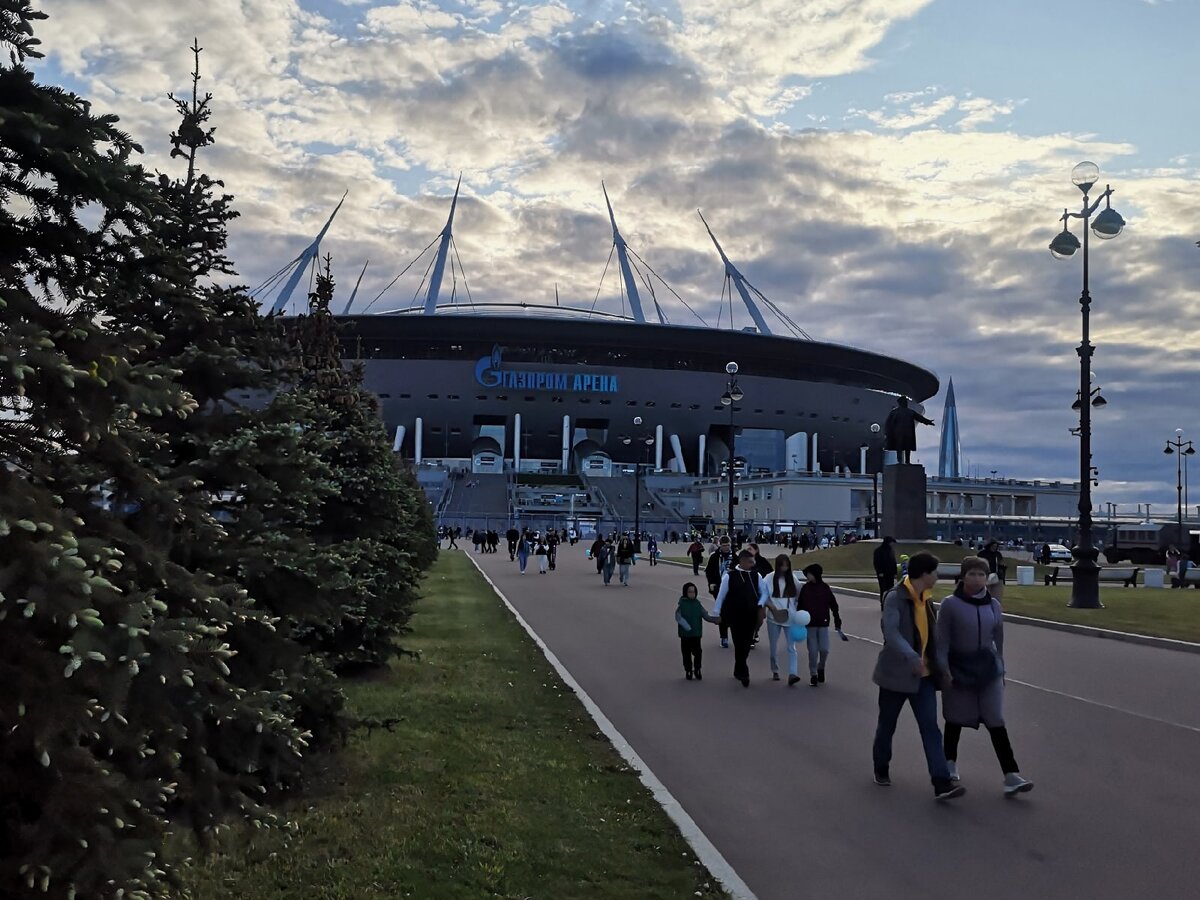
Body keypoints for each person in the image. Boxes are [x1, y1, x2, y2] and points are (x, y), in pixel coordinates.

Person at [871, 551, 965, 801]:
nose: (937, 576)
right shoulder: (895, 597)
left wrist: (943, 666)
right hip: (895, 675)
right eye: (935, 571)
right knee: (887, 726)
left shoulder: (927, 599)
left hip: (923, 677)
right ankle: (881, 766)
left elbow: (933, 638)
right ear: (925, 574)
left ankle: (941, 782)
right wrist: (911, 656)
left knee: (930, 728)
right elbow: (891, 633)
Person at [936, 557, 1033, 796]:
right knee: (955, 717)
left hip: (988, 669)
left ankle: (1011, 774)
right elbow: (942, 642)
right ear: (963, 576)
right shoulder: (950, 605)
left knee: (995, 718)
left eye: (981, 575)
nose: (977, 579)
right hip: (958, 668)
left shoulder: (994, 606)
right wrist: (944, 669)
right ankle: (949, 763)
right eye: (972, 574)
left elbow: (998, 639)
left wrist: (1001, 666)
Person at [712, 549, 770, 687]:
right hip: (735, 615)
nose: (753, 564)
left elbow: (765, 592)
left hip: (751, 614)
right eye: (750, 561)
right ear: (742, 561)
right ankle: (744, 672)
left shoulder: (756, 575)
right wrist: (716, 612)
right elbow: (721, 595)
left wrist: (761, 603)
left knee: (746, 643)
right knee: (739, 643)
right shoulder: (730, 576)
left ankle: (739, 668)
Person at [797, 563, 842, 686]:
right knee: (812, 651)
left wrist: (837, 619)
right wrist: (799, 619)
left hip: (823, 623)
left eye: (809, 574)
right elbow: (800, 605)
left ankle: (820, 667)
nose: (807, 576)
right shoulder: (805, 589)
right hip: (810, 624)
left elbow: (833, 605)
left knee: (824, 649)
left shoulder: (825, 588)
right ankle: (813, 674)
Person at [765, 554, 800, 684]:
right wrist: (772, 608)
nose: (784, 568)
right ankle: (775, 670)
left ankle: (793, 673)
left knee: (792, 647)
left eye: (787, 565)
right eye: (782, 565)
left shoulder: (793, 578)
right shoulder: (769, 578)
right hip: (773, 617)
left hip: (790, 617)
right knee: (774, 647)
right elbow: (762, 595)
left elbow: (799, 594)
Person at [675, 582, 719, 680]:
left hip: (696, 634)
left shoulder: (697, 604)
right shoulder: (682, 604)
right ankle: (688, 670)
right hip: (685, 635)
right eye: (690, 592)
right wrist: (687, 627)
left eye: (693, 592)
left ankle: (697, 669)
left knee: (698, 652)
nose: (692, 594)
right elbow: (678, 617)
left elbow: (705, 615)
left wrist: (715, 620)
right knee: (686, 653)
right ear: (685, 592)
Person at [705, 537, 736, 648]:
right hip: (718, 588)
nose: (726, 548)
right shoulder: (714, 556)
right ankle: (724, 637)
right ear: (720, 545)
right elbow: (708, 571)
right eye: (723, 545)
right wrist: (711, 583)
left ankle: (735, 636)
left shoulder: (735, 557)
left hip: (732, 590)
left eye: (728, 545)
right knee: (722, 613)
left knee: (733, 614)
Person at [873, 536, 897, 604]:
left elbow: (893, 562)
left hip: (890, 573)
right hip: (882, 574)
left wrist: (895, 572)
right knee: (883, 589)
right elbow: (877, 562)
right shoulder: (879, 551)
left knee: (890, 589)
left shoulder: (891, 551)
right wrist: (880, 572)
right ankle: (883, 603)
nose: (892, 544)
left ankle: (889, 603)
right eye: (892, 543)